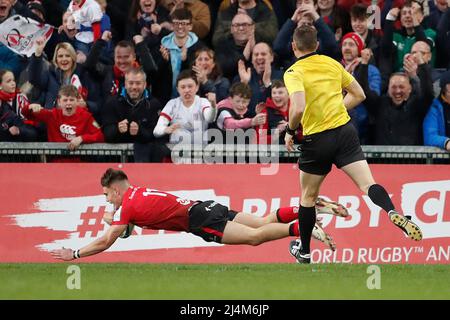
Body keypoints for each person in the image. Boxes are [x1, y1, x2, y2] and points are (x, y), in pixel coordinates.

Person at [283, 25, 423, 264]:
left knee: (307, 197)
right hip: (345, 132)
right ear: (317, 46)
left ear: (294, 46)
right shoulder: (332, 64)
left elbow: (297, 107)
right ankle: (392, 212)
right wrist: (335, 109)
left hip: (317, 139)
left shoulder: (294, 72)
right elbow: (359, 95)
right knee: (368, 184)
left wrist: (290, 129)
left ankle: (304, 250)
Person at [50, 168, 347, 261]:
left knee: (255, 238)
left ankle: (302, 231)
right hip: (204, 205)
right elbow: (127, 228)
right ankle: (306, 208)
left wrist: (74, 253)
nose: (106, 199)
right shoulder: (137, 192)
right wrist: (115, 220)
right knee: (264, 221)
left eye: (106, 195)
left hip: (199, 220)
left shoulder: (125, 205)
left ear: (114, 190)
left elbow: (108, 241)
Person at [101, 67, 164, 162]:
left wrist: (140, 131)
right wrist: (117, 129)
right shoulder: (111, 103)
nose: (134, 87)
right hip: (116, 162)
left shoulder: (154, 104)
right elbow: (106, 133)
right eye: (131, 83)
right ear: (125, 84)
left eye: (138, 83)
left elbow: (158, 135)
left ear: (144, 85)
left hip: (145, 163)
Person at [21, 84, 104, 150]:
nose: (68, 103)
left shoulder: (86, 116)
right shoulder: (52, 114)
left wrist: (82, 138)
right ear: (59, 102)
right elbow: (26, 114)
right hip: (56, 162)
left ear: (77, 101)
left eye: (71, 100)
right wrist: (30, 107)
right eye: (65, 100)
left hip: (79, 163)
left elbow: (100, 136)